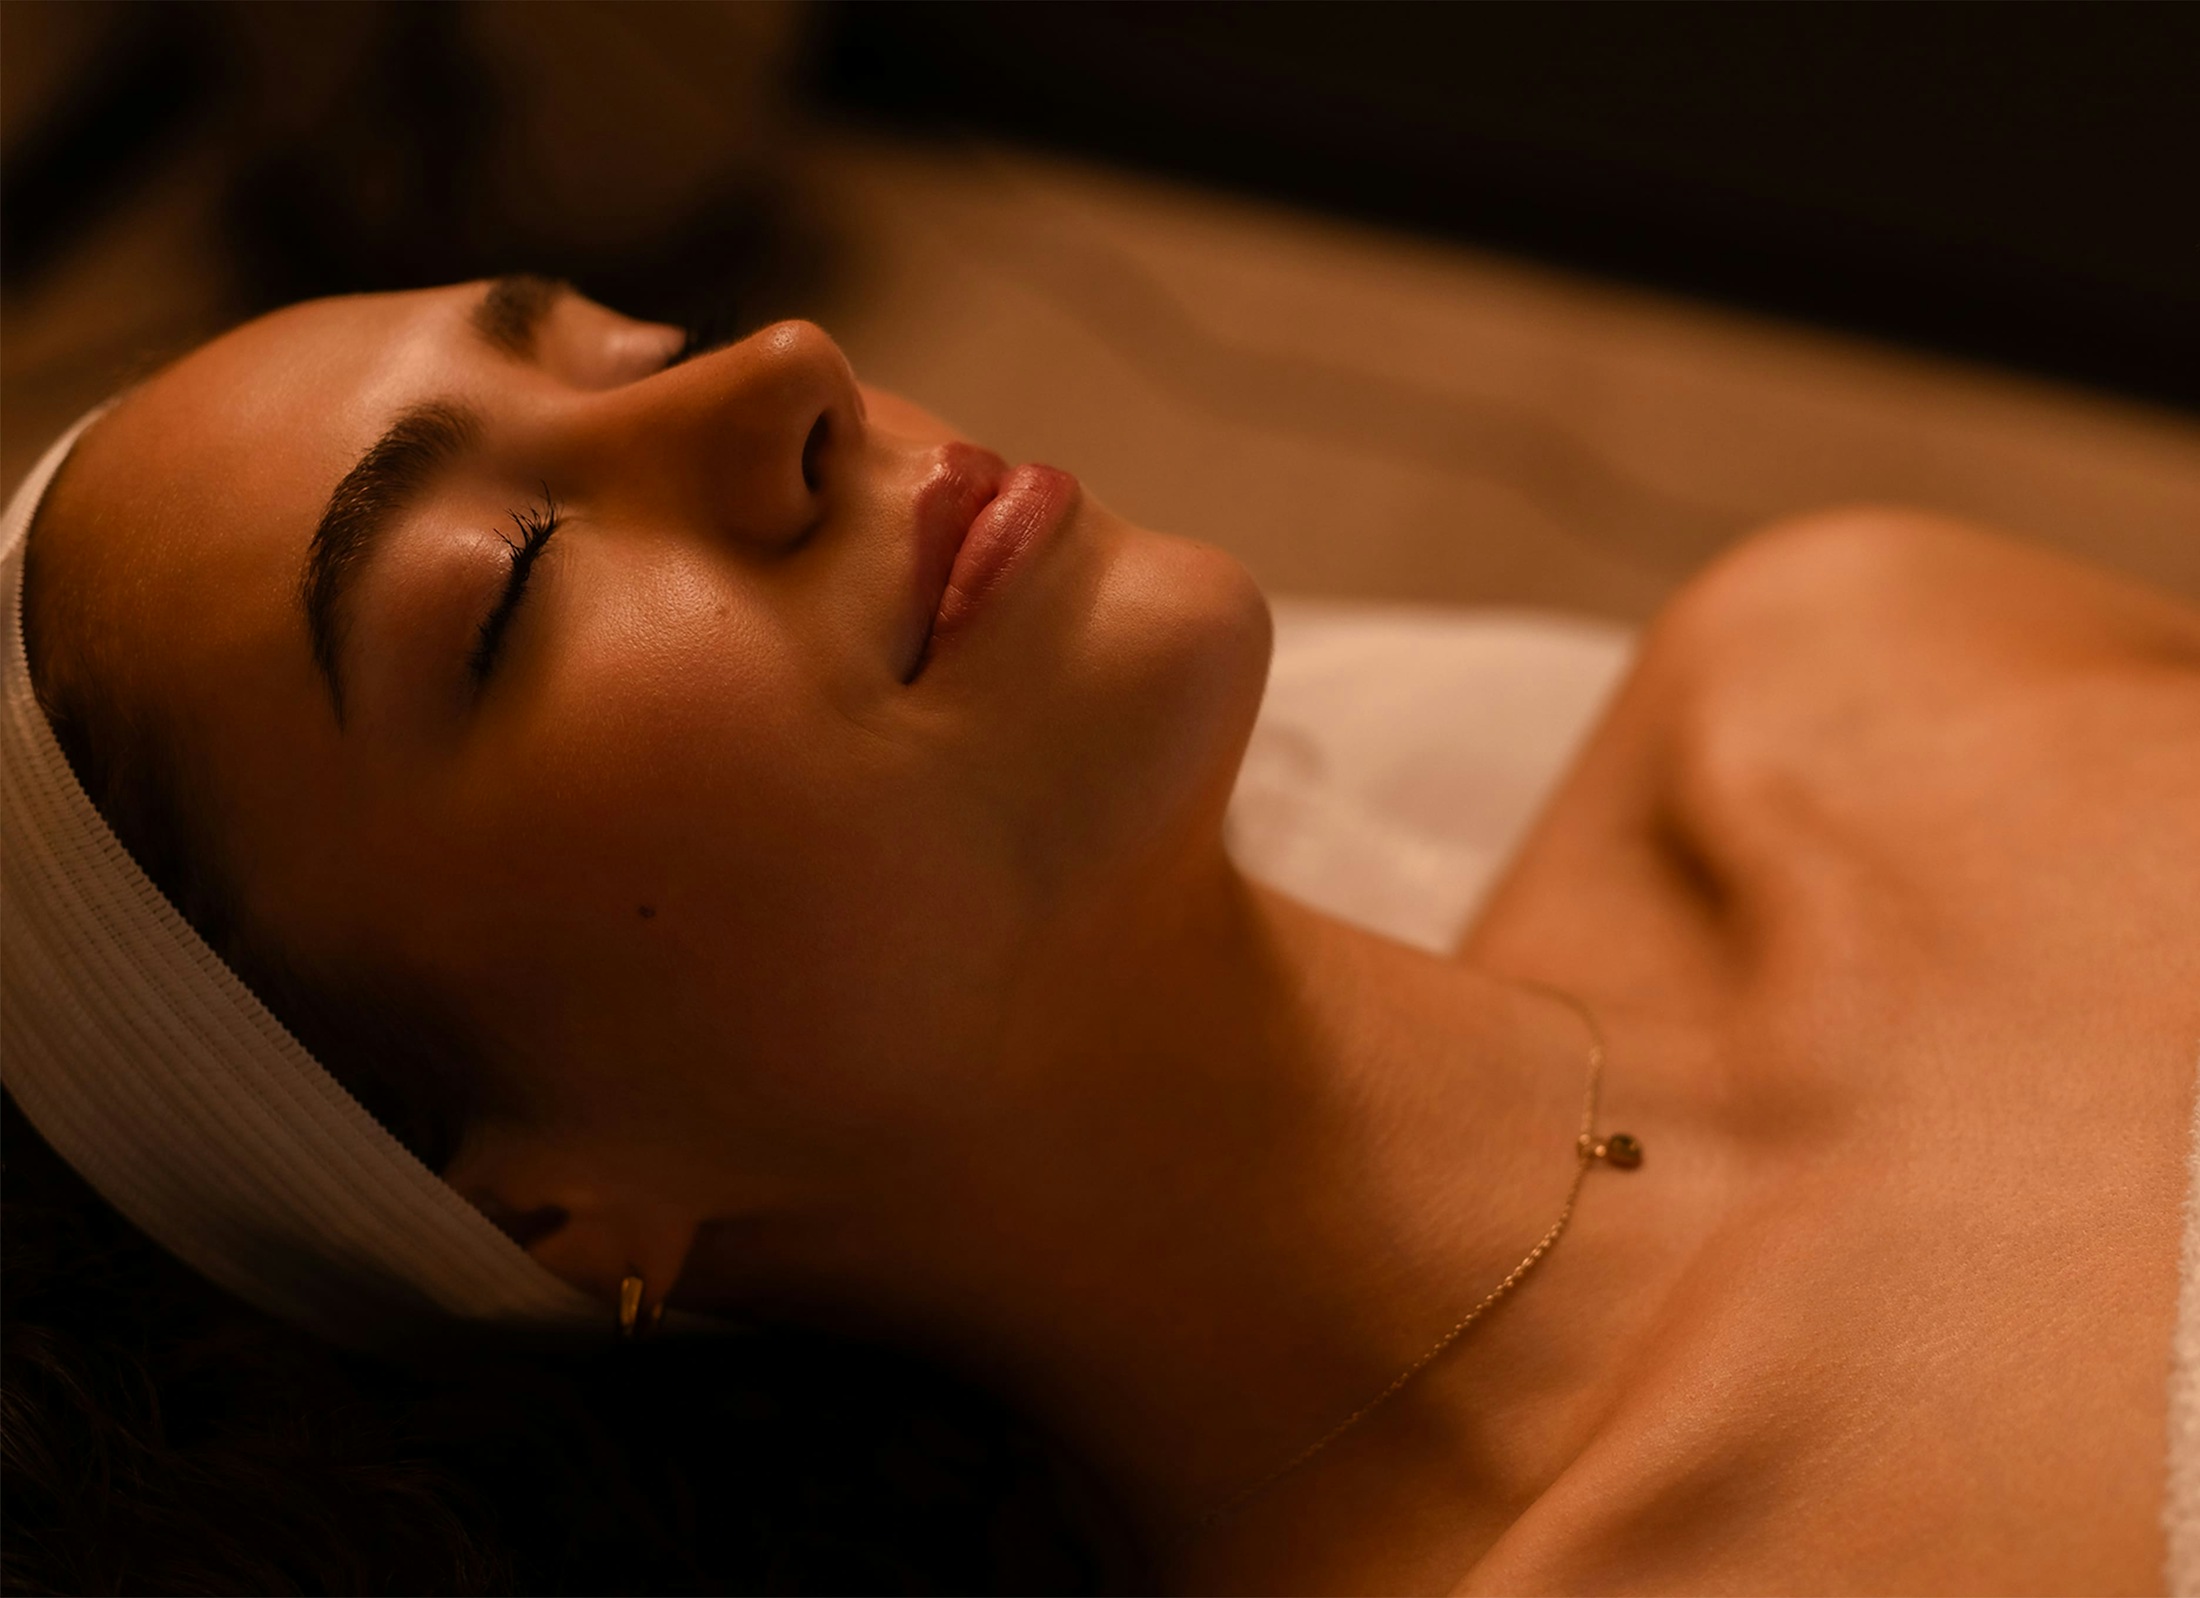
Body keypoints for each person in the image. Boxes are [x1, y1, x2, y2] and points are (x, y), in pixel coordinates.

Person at [4, 276, 2195, 1595]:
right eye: (510, 582)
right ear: (547, 1199)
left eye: (615, 335)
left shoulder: (1842, 662)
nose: (776, 369)